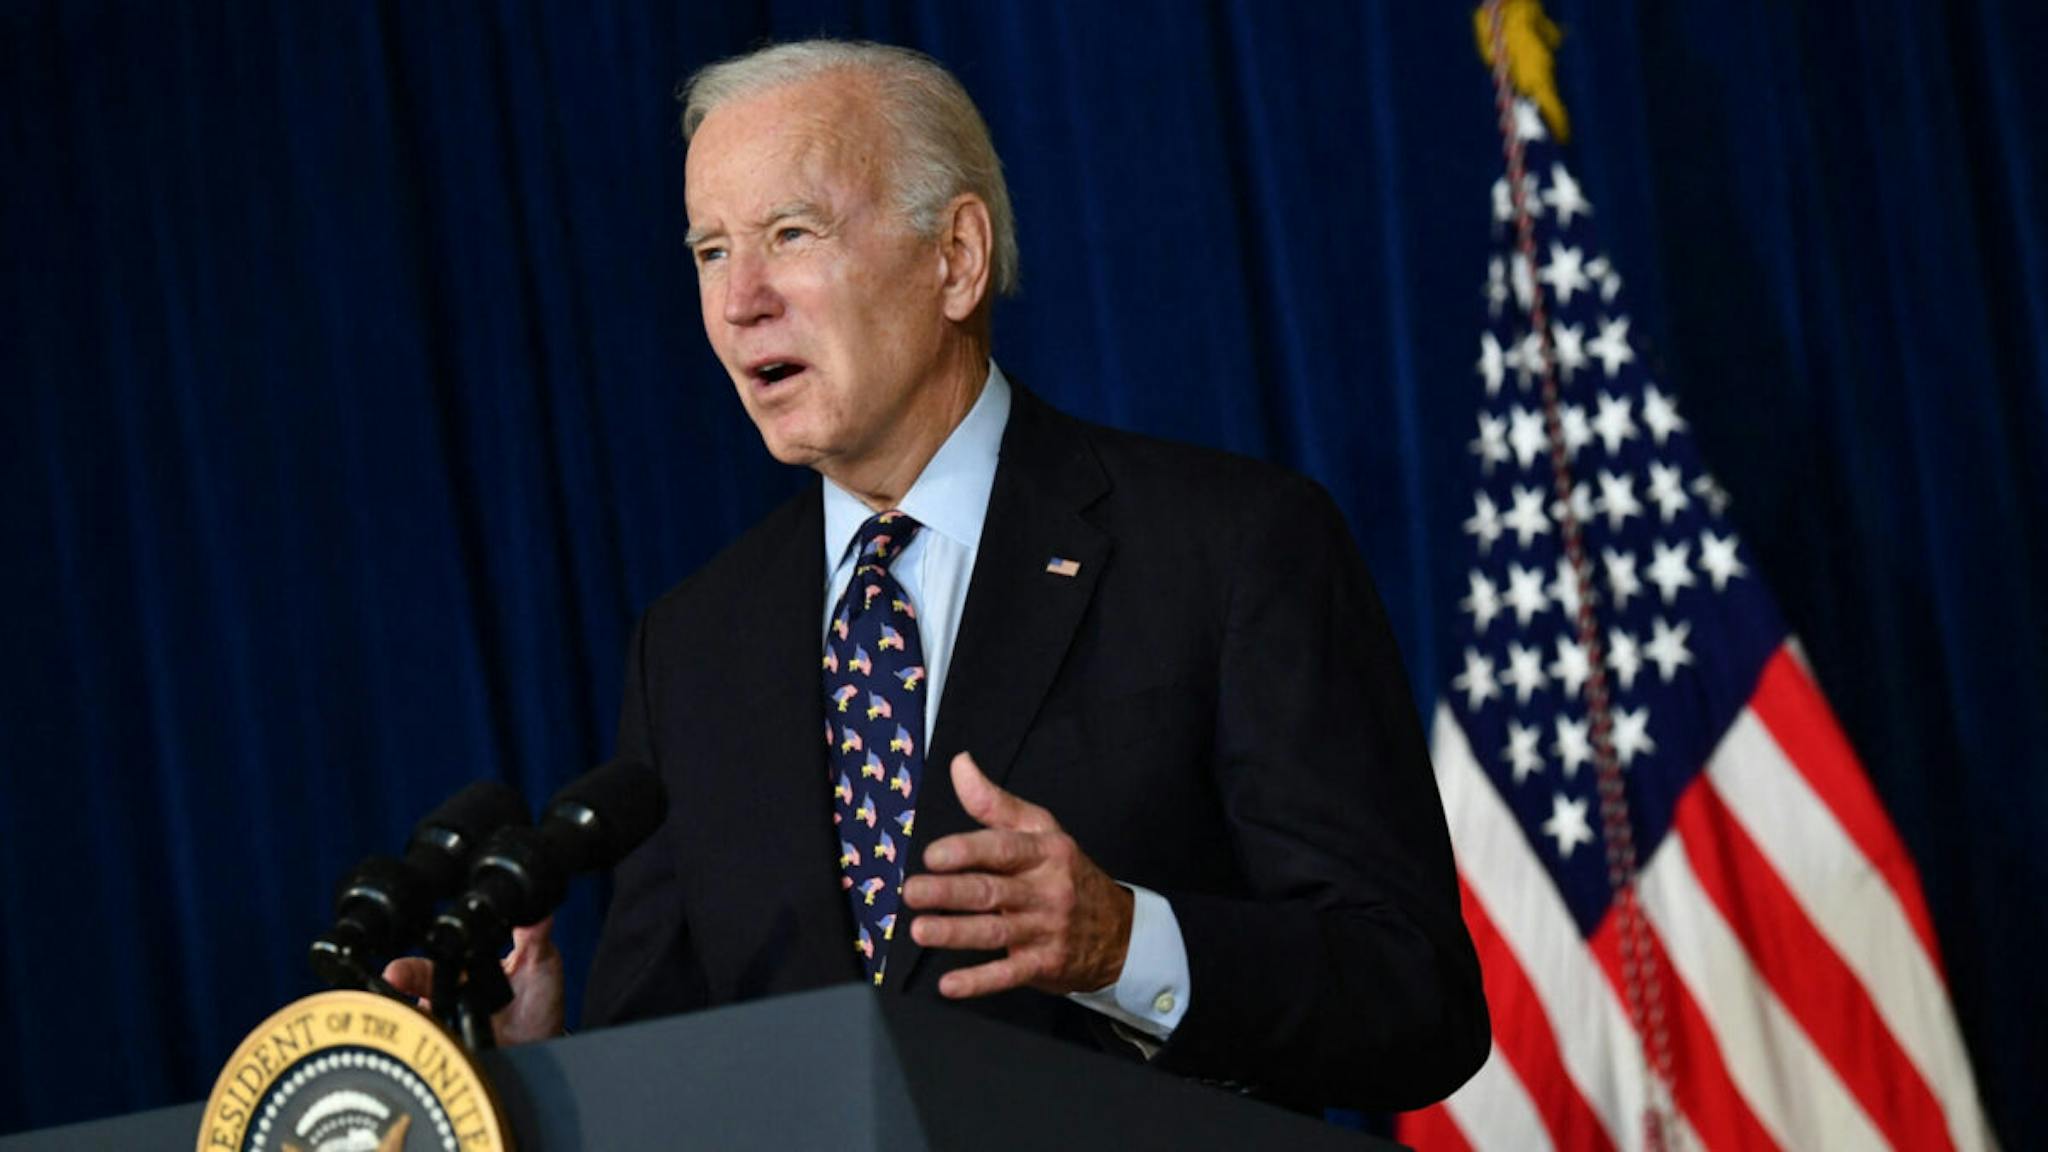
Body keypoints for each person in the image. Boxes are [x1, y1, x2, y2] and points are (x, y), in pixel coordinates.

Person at [395, 38, 1487, 1112]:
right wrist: (530, 1068)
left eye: (790, 232)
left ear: (954, 257)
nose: (740, 302)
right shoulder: (692, 647)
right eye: (709, 250)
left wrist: (1121, 941)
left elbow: (1415, 1003)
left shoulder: (1229, 546)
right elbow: (679, 1060)